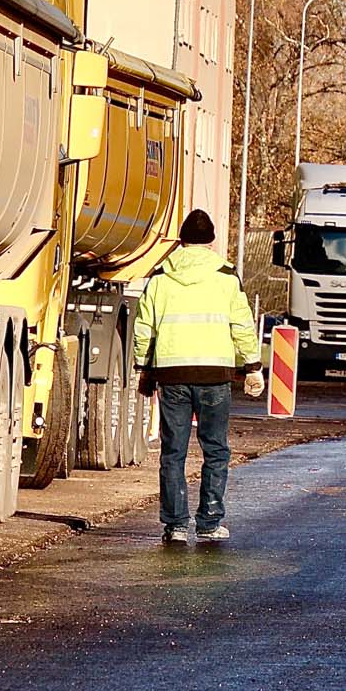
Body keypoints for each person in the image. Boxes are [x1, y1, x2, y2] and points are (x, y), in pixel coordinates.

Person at [134, 209, 260, 544]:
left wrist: (143, 369)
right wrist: (253, 366)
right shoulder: (227, 277)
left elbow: (144, 328)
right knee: (215, 449)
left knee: (173, 451)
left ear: (181, 240)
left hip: (172, 374)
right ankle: (209, 522)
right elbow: (243, 325)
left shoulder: (159, 278)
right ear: (211, 241)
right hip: (215, 375)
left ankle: (175, 525)